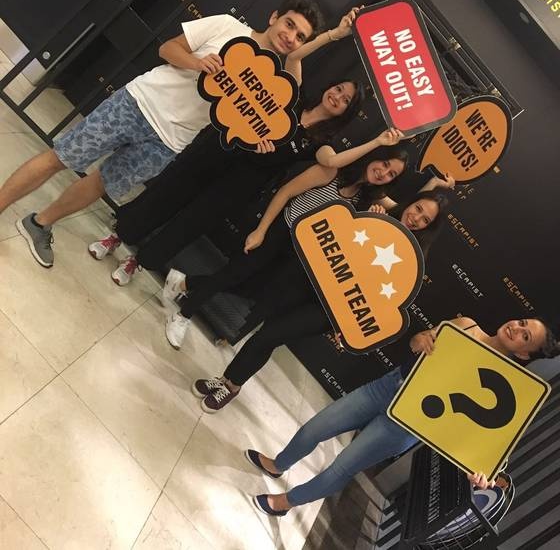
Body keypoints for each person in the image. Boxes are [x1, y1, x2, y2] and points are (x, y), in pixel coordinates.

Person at [1, 0, 324, 268]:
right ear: (274, 17)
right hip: (138, 103)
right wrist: (198, 64)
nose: (291, 37)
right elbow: (168, 49)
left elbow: (254, 125)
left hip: (169, 141)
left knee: (101, 183)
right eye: (290, 25)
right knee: (61, 157)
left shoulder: (273, 85)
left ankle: (40, 223)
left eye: (300, 37)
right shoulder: (228, 27)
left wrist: (258, 142)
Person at [88, 6, 380, 285]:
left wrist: (380, 141)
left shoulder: (321, 140)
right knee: (167, 190)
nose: (337, 97)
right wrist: (335, 34)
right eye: (338, 89)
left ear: (348, 112)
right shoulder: (294, 96)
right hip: (219, 149)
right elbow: (295, 56)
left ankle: (139, 262)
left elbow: (331, 162)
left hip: (241, 183)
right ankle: (119, 235)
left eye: (345, 101)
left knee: (191, 224)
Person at [242, 315, 559, 516]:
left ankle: (286, 502)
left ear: (523, 354)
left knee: (342, 466)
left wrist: (478, 473)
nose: (517, 328)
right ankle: (277, 464)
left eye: (525, 336)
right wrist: (421, 340)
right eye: (522, 322)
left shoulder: (506, 389)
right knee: (315, 428)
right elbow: (416, 341)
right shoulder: (466, 325)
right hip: (386, 387)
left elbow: (482, 440)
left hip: (405, 424)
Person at [190, 187, 452, 412]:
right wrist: (369, 221)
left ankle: (232, 387)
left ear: (429, 228)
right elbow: (334, 238)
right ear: (410, 203)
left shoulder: (412, 261)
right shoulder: (376, 214)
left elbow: (381, 303)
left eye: (425, 220)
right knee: (264, 334)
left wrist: (350, 328)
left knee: (268, 336)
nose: (416, 218)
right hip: (305, 283)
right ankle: (226, 380)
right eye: (418, 208)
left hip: (329, 310)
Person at [161, 129, 409, 349]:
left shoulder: (365, 197)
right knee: (232, 274)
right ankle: (183, 314)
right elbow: (286, 192)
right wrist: (261, 230)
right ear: (375, 154)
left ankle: (184, 282)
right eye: (385, 163)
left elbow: (406, 211)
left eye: (392, 174)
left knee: (251, 288)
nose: (384, 173)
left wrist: (423, 193)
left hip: (300, 251)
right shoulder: (332, 170)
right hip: (280, 229)